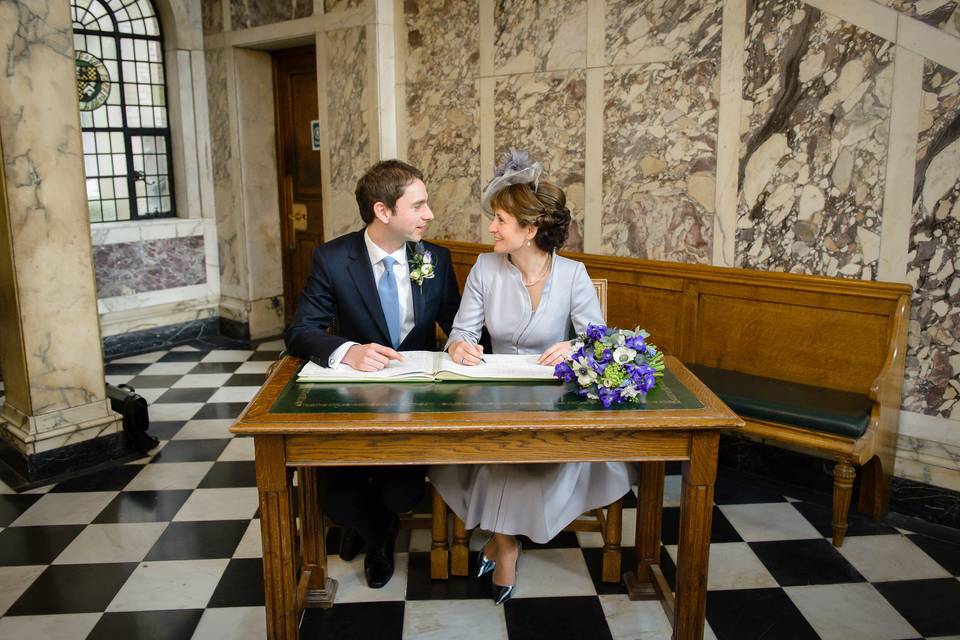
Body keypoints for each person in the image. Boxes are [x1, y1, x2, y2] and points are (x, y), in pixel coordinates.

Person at [429, 151, 634, 604]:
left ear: (530, 229)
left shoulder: (573, 275)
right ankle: (506, 547)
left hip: (552, 398)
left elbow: (598, 342)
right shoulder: (485, 268)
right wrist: (460, 345)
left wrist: (575, 347)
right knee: (494, 449)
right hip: (494, 395)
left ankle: (503, 543)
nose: (491, 228)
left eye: (500, 219)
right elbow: (461, 330)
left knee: (516, 456)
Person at [285, 160, 461, 588]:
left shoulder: (435, 258)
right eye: (418, 205)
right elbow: (299, 332)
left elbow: (459, 323)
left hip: (414, 402)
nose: (429, 214)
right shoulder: (333, 258)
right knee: (338, 504)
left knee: (403, 493)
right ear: (384, 212)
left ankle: (373, 528)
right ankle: (376, 532)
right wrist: (348, 351)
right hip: (351, 402)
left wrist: (462, 342)